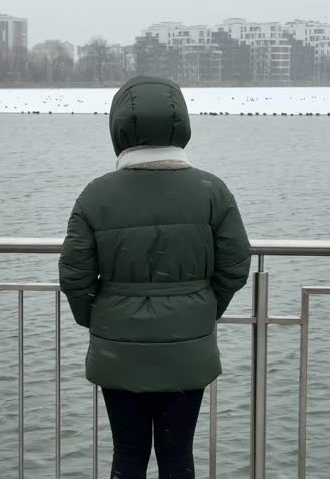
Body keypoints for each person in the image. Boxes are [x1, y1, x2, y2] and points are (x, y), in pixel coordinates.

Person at [58, 76, 252, 479]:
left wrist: (96, 317)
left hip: (118, 344)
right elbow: (235, 264)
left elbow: (74, 274)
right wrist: (203, 309)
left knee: (127, 453)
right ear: (181, 124)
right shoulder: (211, 190)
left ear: (118, 128)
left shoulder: (97, 194)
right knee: (177, 454)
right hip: (187, 345)